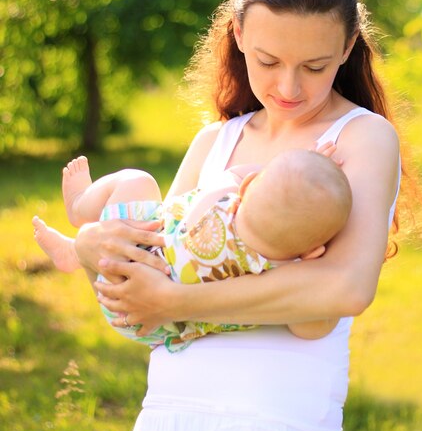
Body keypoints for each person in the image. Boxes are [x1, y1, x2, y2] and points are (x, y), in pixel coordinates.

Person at [73, 0, 402, 431]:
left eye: (316, 67)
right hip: (171, 419)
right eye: (269, 61)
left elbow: (344, 288)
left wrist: (177, 302)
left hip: (271, 424)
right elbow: (154, 272)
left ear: (347, 48)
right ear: (239, 36)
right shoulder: (216, 142)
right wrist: (92, 245)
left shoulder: (360, 137)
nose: (289, 89)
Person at [33, 144, 352, 351]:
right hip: (147, 324)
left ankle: (78, 214)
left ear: (249, 185)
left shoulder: (225, 201)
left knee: (138, 182)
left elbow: (230, 180)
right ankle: (76, 251)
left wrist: (296, 166)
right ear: (313, 252)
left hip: (127, 271)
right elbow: (313, 327)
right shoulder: (279, 274)